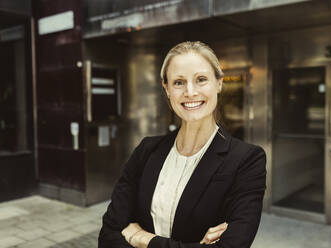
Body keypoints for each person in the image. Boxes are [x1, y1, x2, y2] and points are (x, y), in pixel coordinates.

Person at [98, 41, 267, 248]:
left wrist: (145, 240)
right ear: (166, 88)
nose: (190, 92)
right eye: (179, 82)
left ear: (219, 83)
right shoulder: (146, 150)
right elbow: (108, 235)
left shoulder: (247, 160)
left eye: (201, 79)